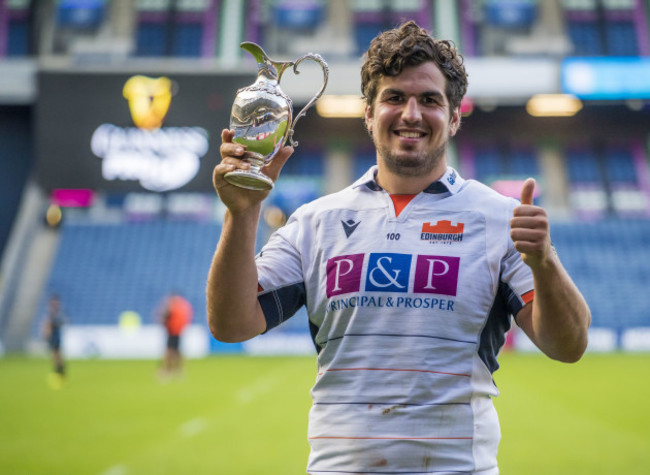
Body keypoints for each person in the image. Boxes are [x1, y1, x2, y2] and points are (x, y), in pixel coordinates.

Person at [207, 21, 591, 474]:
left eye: (429, 100)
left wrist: (544, 261)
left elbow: (568, 345)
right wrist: (242, 212)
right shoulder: (316, 221)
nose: (411, 114)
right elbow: (231, 324)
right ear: (368, 113)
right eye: (394, 98)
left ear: (454, 117)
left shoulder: (499, 218)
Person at [157, 292, 193, 378]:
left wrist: (163, 320)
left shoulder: (172, 305)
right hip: (178, 331)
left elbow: (165, 315)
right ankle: (178, 371)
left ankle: (167, 370)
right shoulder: (184, 305)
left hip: (172, 331)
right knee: (177, 352)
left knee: (170, 351)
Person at [41, 294, 67, 388]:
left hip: (55, 337)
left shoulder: (54, 315)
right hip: (53, 337)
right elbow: (47, 326)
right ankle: (59, 373)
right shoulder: (52, 314)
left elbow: (48, 326)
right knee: (55, 355)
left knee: (56, 355)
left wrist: (46, 334)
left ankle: (60, 373)